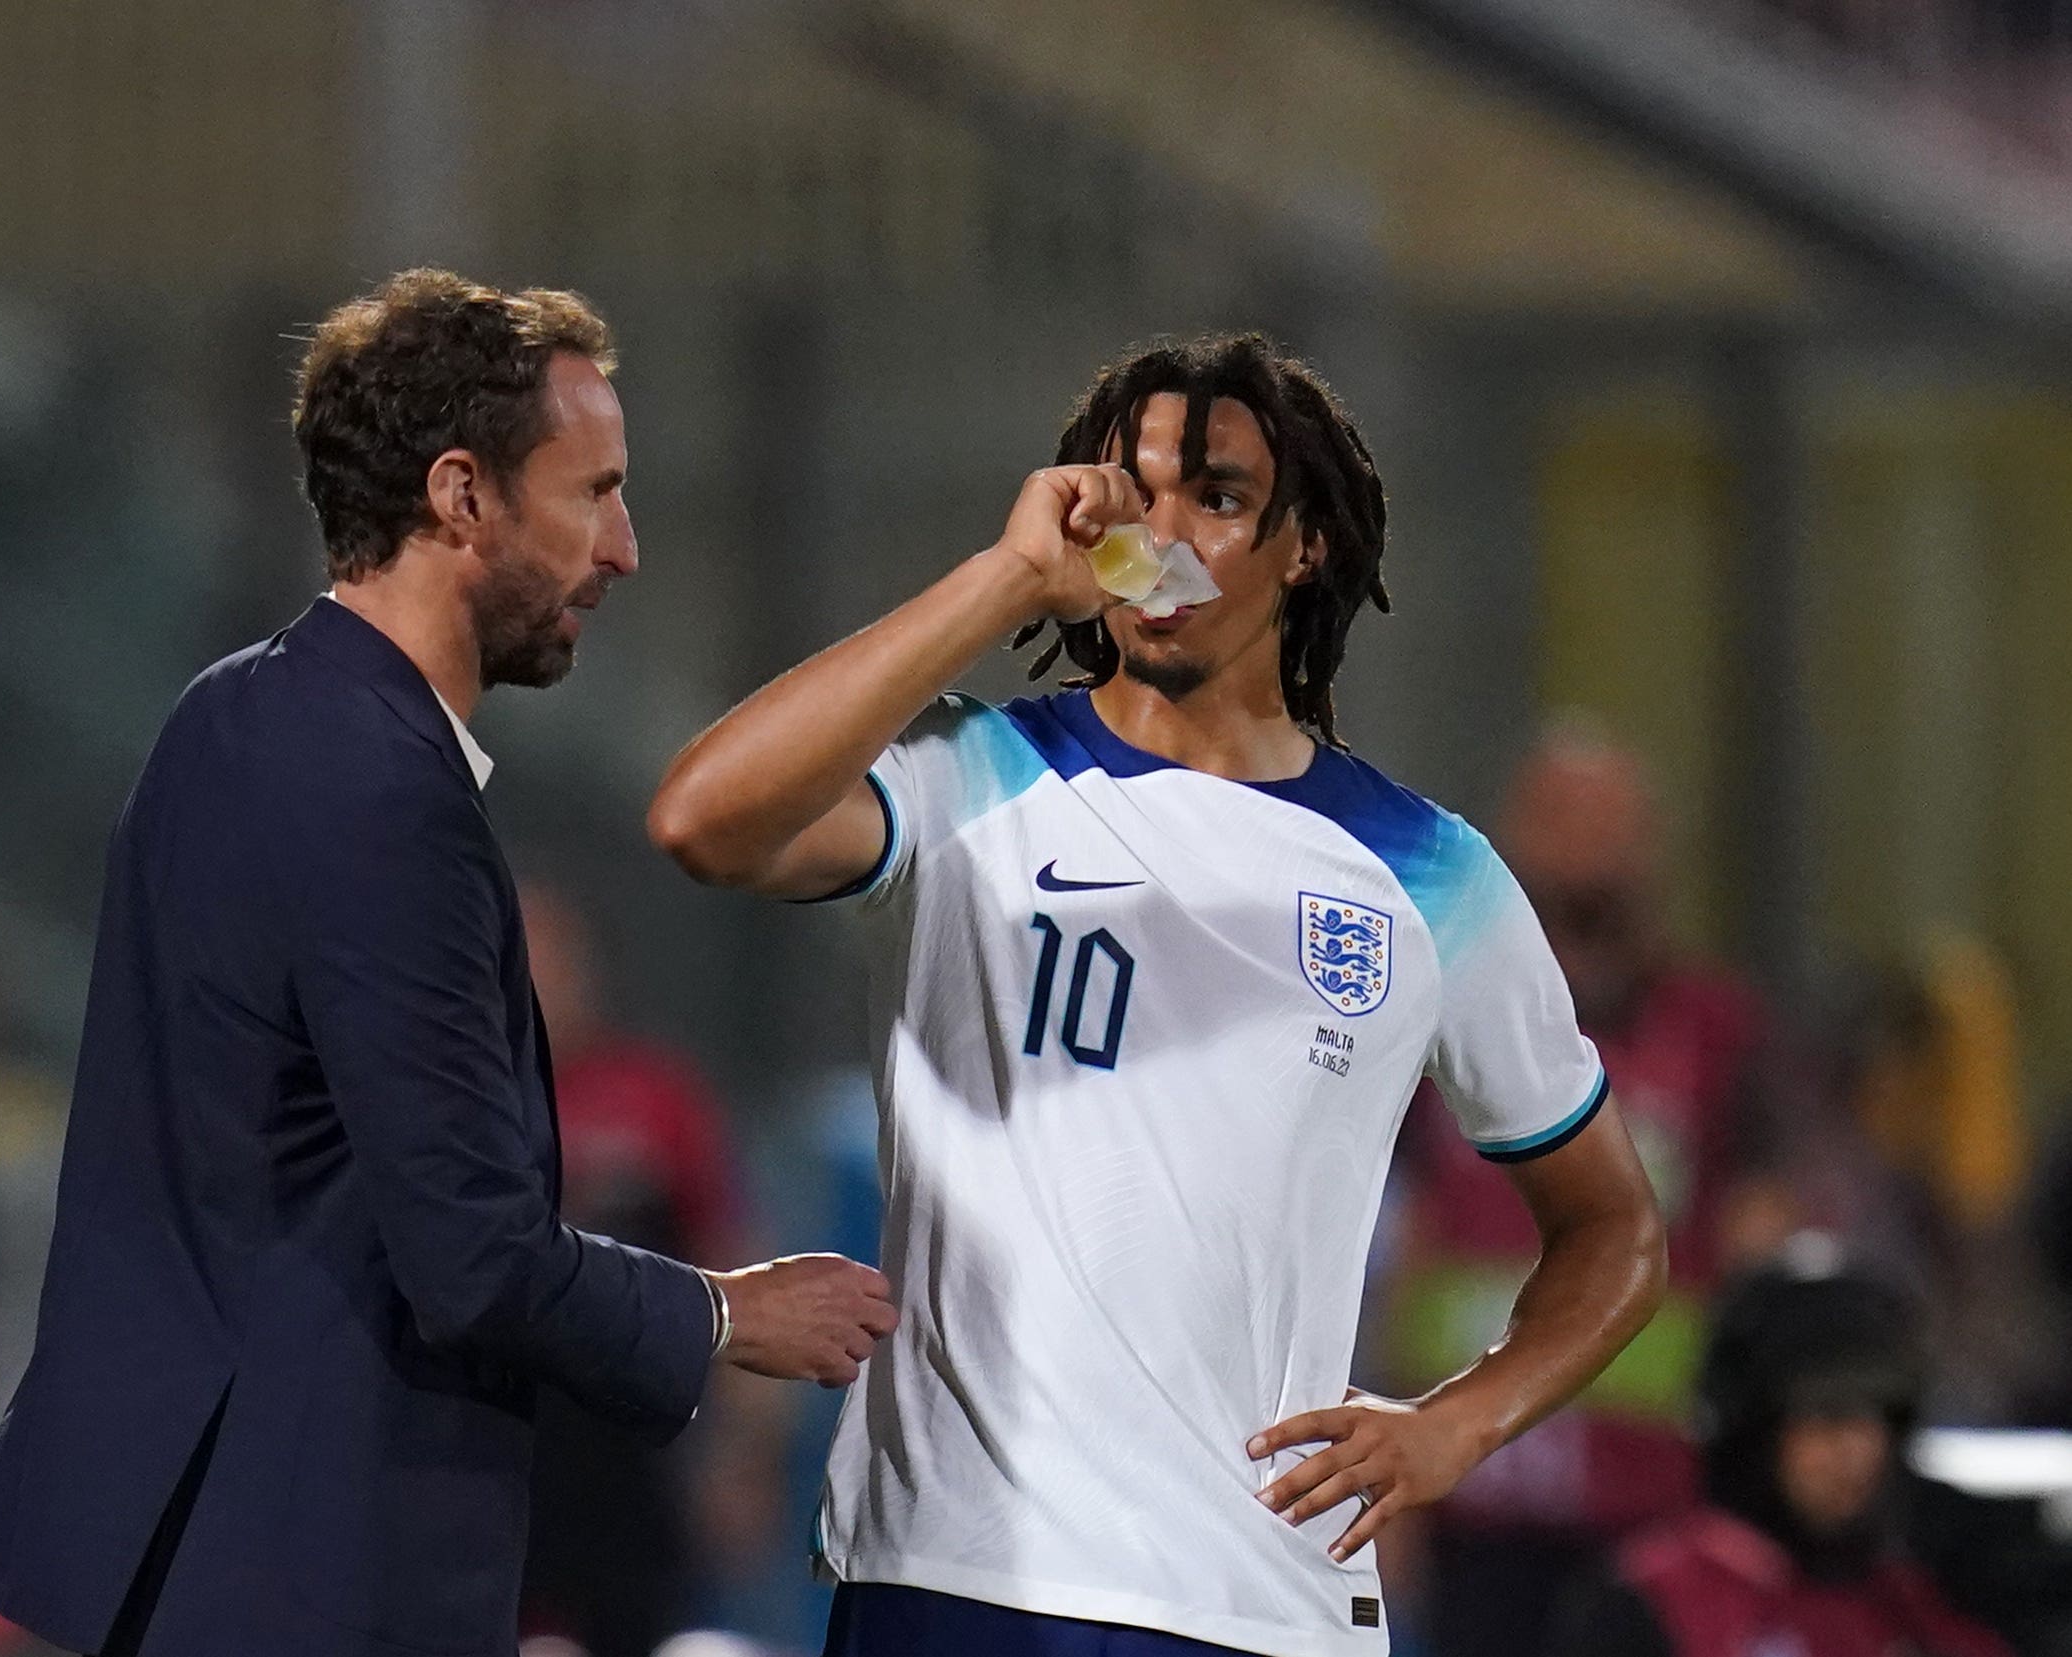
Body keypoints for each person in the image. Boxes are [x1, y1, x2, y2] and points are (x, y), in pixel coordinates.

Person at [649, 332, 1667, 1655]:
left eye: (1218, 497)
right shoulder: (973, 777)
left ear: (1304, 545)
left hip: (1257, 1602)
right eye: (1131, 491)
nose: (1160, 534)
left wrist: (1454, 1426)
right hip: (958, 1579)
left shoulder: (1430, 877)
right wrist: (1002, 576)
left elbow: (1614, 1232)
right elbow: (701, 821)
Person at [0, 270, 897, 1657]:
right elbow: (472, 1254)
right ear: (461, 496)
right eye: (593, 492)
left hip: (193, 1538)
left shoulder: (234, 716)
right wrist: (723, 1311)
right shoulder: (382, 793)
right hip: (301, 1563)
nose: (623, 548)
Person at [1382, 726, 1789, 1656]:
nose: (1586, 848)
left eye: (1609, 822)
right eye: (1561, 818)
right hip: (1469, 1489)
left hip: (1658, 1503)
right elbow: (1397, 1247)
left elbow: (1762, 1244)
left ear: (1654, 844)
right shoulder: (1431, 1013)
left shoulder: (1718, 1033)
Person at [515, 879, 782, 1657]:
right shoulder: (457, 1105)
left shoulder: (657, 1099)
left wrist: (744, 1454)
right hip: (485, 1458)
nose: (539, 976)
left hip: (632, 1474)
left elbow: (736, 1270)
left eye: (555, 955)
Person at [1542, 1247, 2011, 1657]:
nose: (1860, 1448)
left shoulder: (1924, 1609)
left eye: (1881, 1416)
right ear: (1754, 1430)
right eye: (1828, 1414)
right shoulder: (1652, 1607)